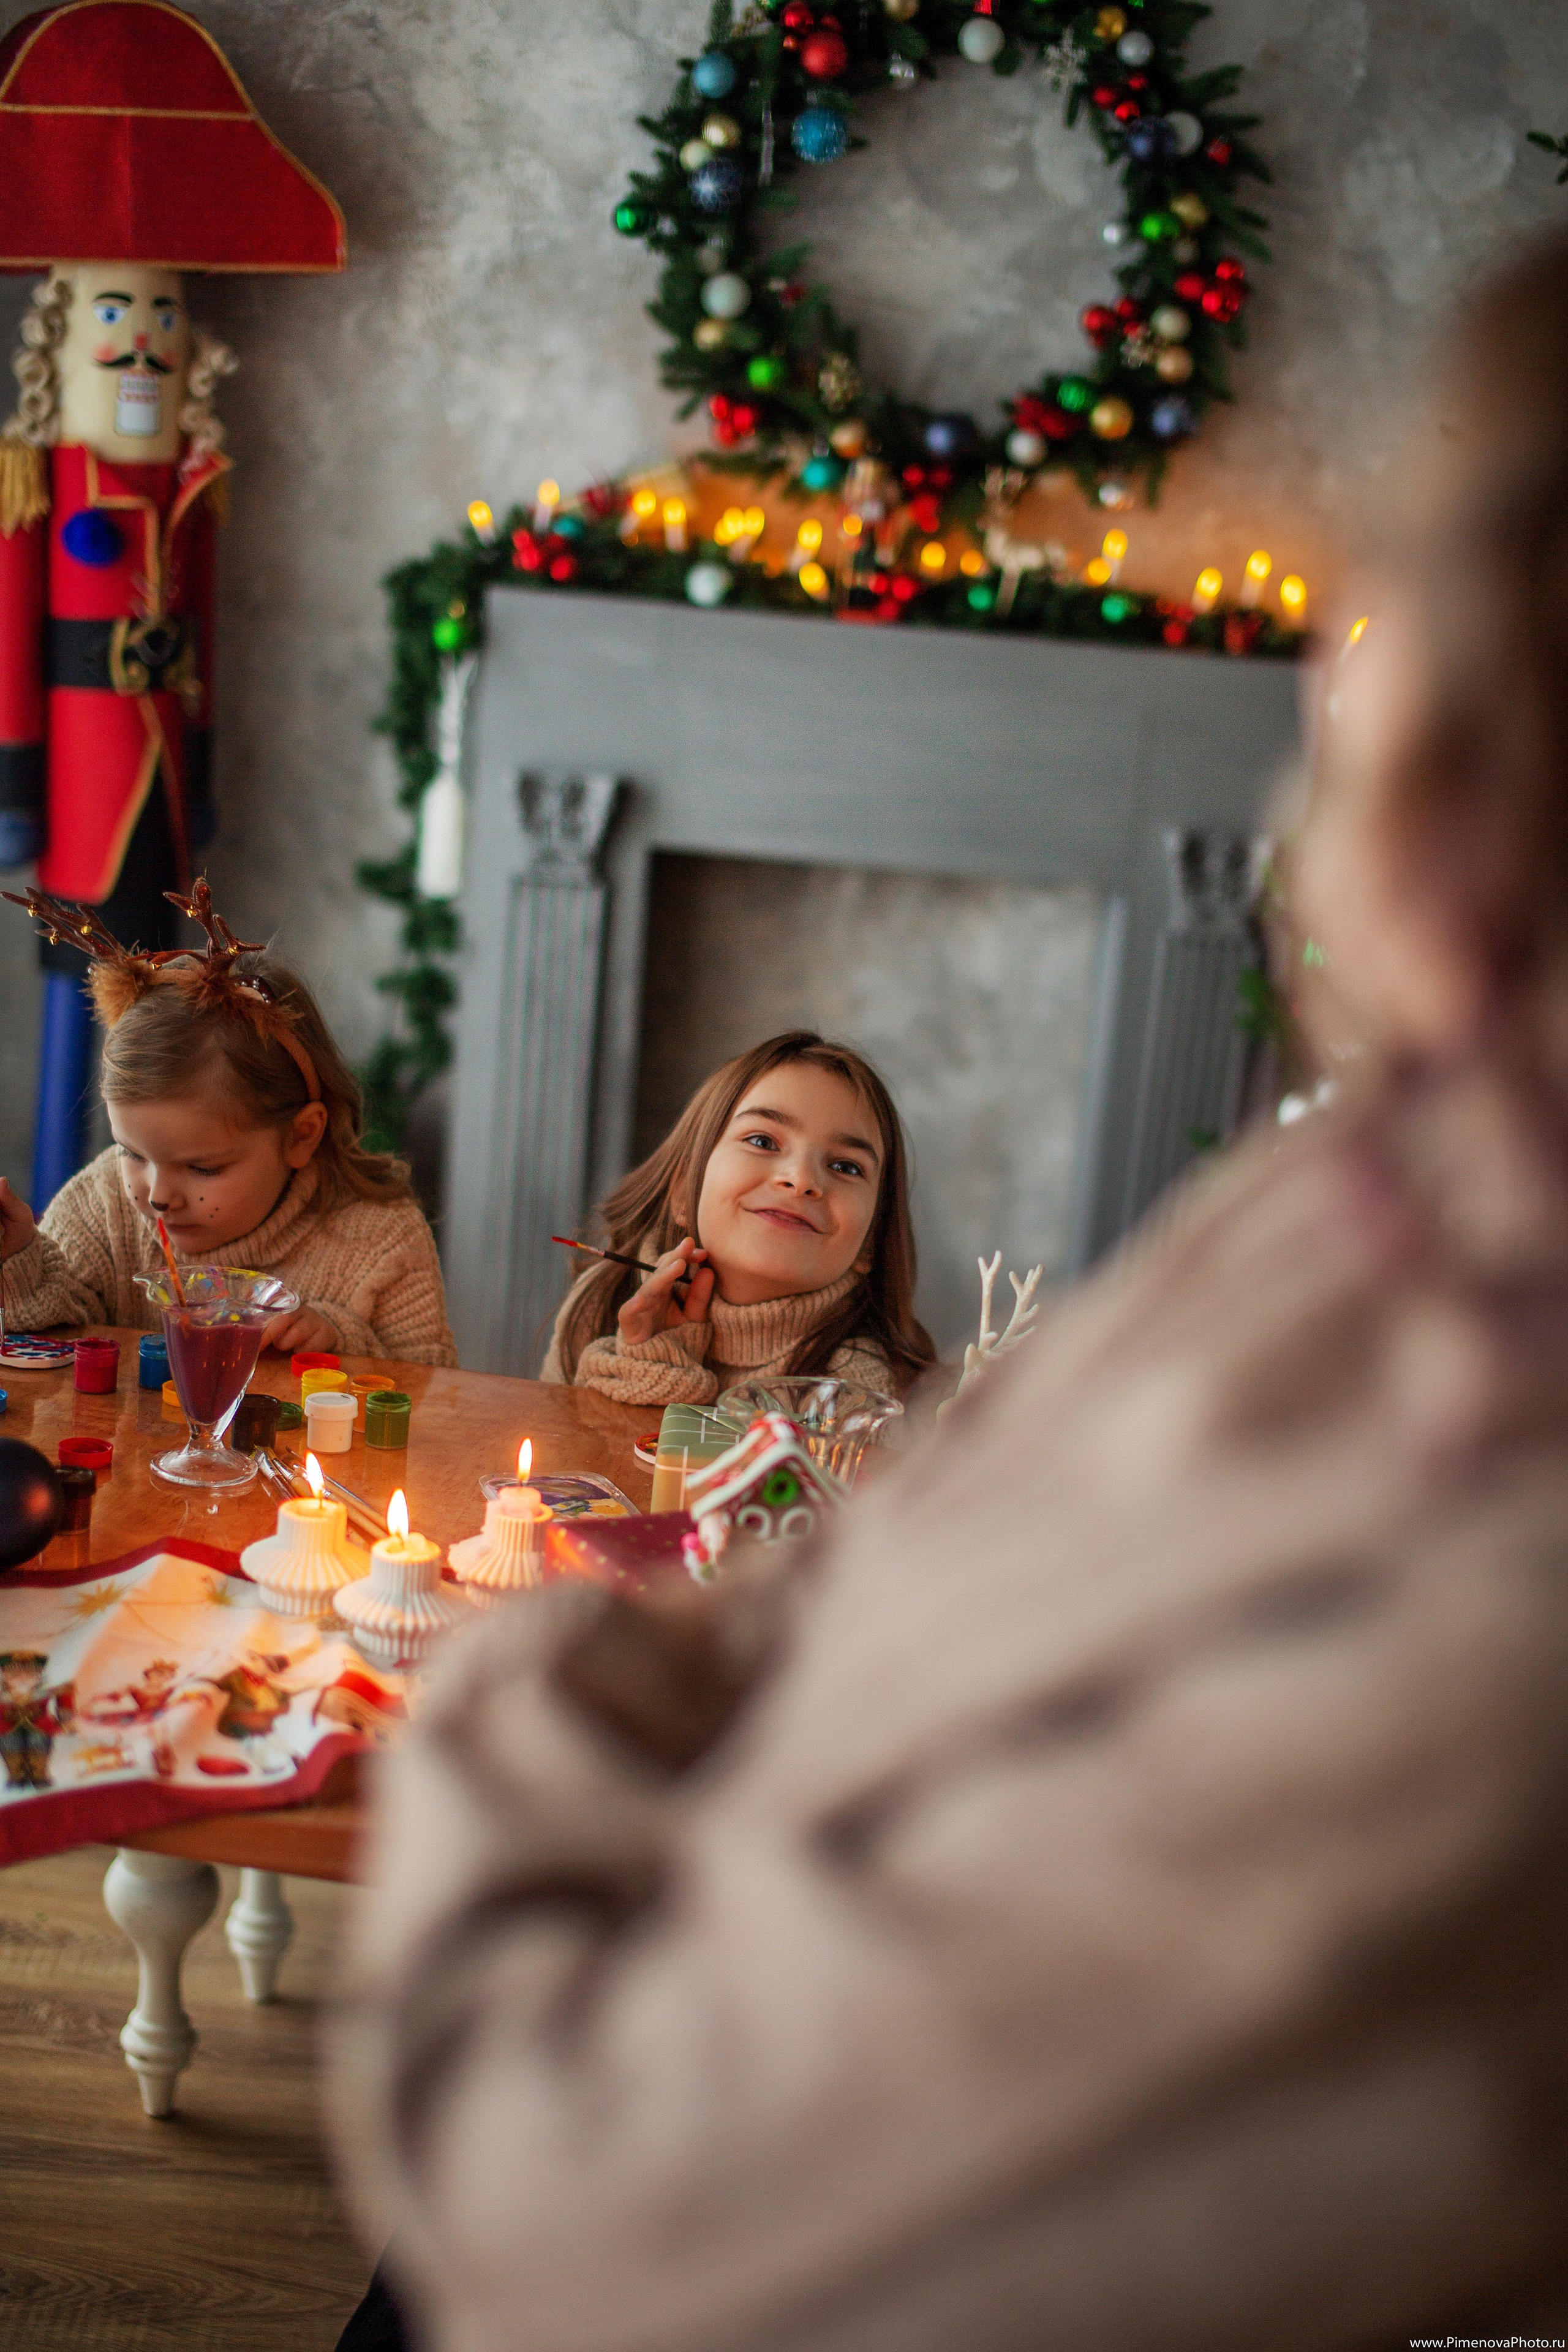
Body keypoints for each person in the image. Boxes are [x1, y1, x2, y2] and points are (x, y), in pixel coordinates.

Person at [326, 233, 1568, 2352]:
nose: (1341, 735)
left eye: (1395, 624)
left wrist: (538, 1691)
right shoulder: (1361, 1203)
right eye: (761, 1146)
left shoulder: (1462, 1570)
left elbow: (575, 2198)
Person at [0, 882, 456, 1365]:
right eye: (133, 1154)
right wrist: (19, 1262)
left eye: (204, 1168)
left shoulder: (382, 1244)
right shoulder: (105, 1208)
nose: (157, 1195)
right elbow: (52, 1348)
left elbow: (435, 1399)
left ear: (302, 1135)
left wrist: (340, 1342)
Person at [542, 1031, 935, 1402]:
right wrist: (654, 1363)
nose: (801, 1180)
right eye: (762, 1141)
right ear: (683, 1189)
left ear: (870, 1242)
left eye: (847, 1167)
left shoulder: (859, 1390)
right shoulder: (602, 1301)